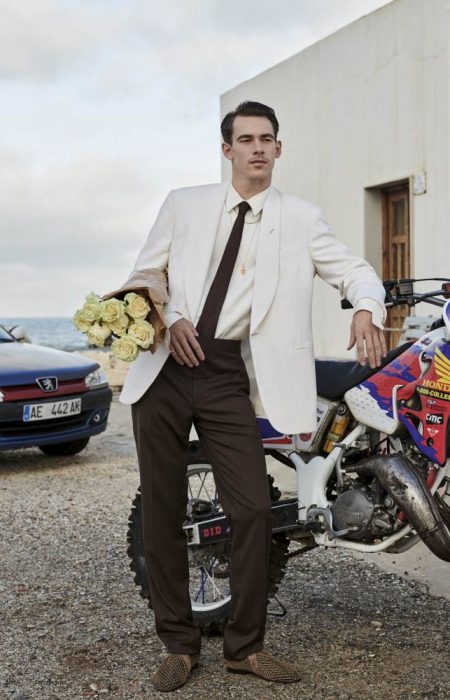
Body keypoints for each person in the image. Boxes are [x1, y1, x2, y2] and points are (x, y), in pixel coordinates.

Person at [119, 101, 387, 691]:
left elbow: (354, 270)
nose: (257, 148)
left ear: (278, 148)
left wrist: (366, 307)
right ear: (227, 150)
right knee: (162, 509)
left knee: (254, 510)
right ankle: (179, 645)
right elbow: (145, 276)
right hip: (164, 367)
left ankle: (245, 648)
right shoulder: (183, 203)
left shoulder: (301, 219)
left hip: (225, 375)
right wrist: (172, 318)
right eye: (246, 139)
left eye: (267, 139)